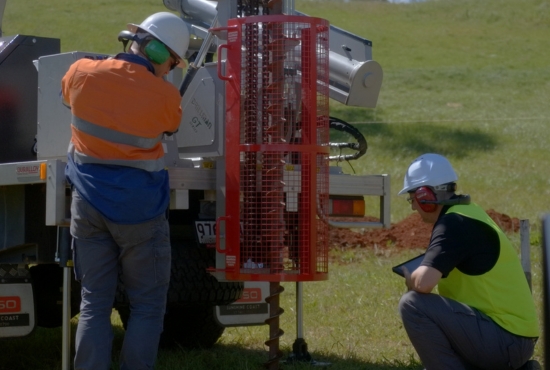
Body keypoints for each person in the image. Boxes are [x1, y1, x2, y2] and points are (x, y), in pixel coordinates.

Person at [61, 12, 189, 370]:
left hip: (87, 205)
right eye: (173, 63)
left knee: (94, 303)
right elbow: (171, 125)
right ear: (162, 54)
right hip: (141, 211)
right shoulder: (165, 95)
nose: (171, 70)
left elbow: (67, 98)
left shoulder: (81, 72)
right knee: (147, 305)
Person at [397, 153, 540, 370]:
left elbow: (423, 284)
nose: (413, 207)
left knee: (413, 304)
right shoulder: (468, 214)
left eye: (412, 199)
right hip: (513, 338)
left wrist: (411, 277)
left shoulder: (453, 224)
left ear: (424, 197)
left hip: (505, 341)